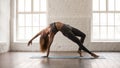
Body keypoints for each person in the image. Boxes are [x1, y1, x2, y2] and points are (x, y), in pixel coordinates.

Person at [28, 22, 99, 58]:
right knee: (78, 42)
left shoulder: (44, 29)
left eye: (41, 34)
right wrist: (47, 55)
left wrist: (31, 40)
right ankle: (91, 53)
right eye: (42, 35)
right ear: (45, 36)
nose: (41, 33)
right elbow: (49, 44)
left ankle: (79, 50)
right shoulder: (51, 33)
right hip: (66, 32)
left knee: (83, 35)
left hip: (68, 27)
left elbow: (37, 34)